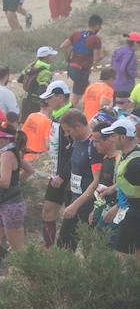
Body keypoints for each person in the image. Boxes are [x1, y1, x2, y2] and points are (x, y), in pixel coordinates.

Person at [0, 122, 31, 286]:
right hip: (2, 205)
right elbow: (29, 171)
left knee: (17, 247)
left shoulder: (6, 155)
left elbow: (4, 181)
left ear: (5, 139)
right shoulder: (11, 152)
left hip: (10, 207)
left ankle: (35, 279)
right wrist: (16, 184)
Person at [38, 80, 74, 249]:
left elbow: (75, 150)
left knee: (71, 216)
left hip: (67, 177)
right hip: (55, 174)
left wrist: (64, 175)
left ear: (60, 97)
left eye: (50, 98)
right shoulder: (56, 116)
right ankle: (48, 250)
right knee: (47, 210)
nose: (47, 101)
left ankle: (67, 251)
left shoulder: (71, 117)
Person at [57, 110, 98, 251]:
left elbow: (97, 181)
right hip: (74, 202)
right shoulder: (77, 142)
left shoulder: (94, 145)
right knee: (63, 246)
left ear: (79, 126)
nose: (66, 135)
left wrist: (76, 205)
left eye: (68, 131)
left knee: (88, 251)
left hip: (88, 207)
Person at [104, 118, 140, 258]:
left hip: (134, 213)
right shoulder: (127, 155)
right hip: (131, 210)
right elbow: (127, 181)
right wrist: (113, 189)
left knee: (121, 258)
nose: (110, 139)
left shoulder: (135, 163)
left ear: (123, 137)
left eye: (113, 136)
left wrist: (119, 206)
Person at [61, 14, 104, 107]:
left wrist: (67, 59)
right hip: (82, 72)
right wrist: (104, 55)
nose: (100, 28)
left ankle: (84, 110)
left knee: (87, 92)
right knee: (77, 99)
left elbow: (63, 46)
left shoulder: (76, 34)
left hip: (72, 69)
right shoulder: (95, 39)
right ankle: (67, 113)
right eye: (100, 26)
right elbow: (96, 59)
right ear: (97, 25)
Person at [18, 46, 57, 122]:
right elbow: (42, 91)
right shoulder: (45, 72)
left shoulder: (32, 65)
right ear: (46, 57)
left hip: (25, 101)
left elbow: (20, 79)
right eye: (50, 55)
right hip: (35, 104)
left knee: (25, 125)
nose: (52, 57)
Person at [112, 32, 140, 100]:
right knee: (125, 105)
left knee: (116, 105)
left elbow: (113, 65)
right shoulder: (130, 53)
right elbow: (124, 69)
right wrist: (136, 74)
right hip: (125, 86)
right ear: (135, 43)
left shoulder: (119, 50)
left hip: (114, 84)